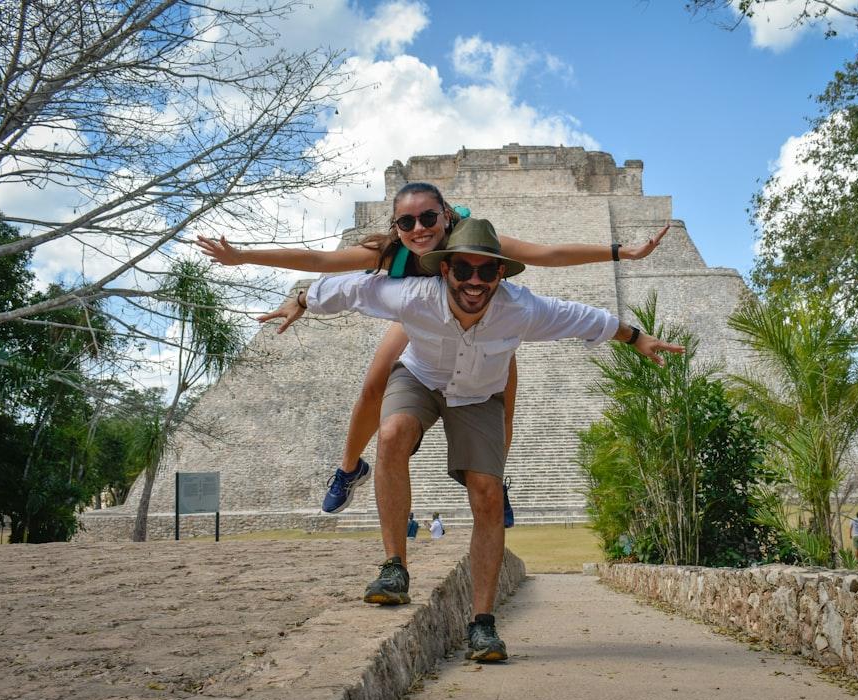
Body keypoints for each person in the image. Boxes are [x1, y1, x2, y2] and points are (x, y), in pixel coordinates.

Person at [272, 217, 684, 662]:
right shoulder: (413, 294)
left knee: (487, 494)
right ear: (444, 270)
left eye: (487, 271)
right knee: (391, 434)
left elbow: (582, 317)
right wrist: (301, 298)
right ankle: (394, 568)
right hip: (421, 377)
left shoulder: (521, 309)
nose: (474, 281)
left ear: (501, 274)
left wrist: (637, 337)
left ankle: (483, 624)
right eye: (463, 270)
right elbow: (352, 289)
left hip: (478, 395)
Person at [197, 182, 668, 516]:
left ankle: (494, 480)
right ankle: (348, 468)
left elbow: (547, 254)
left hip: (483, 323)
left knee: (502, 396)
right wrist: (246, 258)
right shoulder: (391, 252)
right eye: (407, 221)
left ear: (447, 216)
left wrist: (617, 252)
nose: (419, 229)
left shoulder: (477, 244)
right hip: (418, 316)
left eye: (428, 218)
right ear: (396, 224)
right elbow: (322, 263)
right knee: (374, 386)